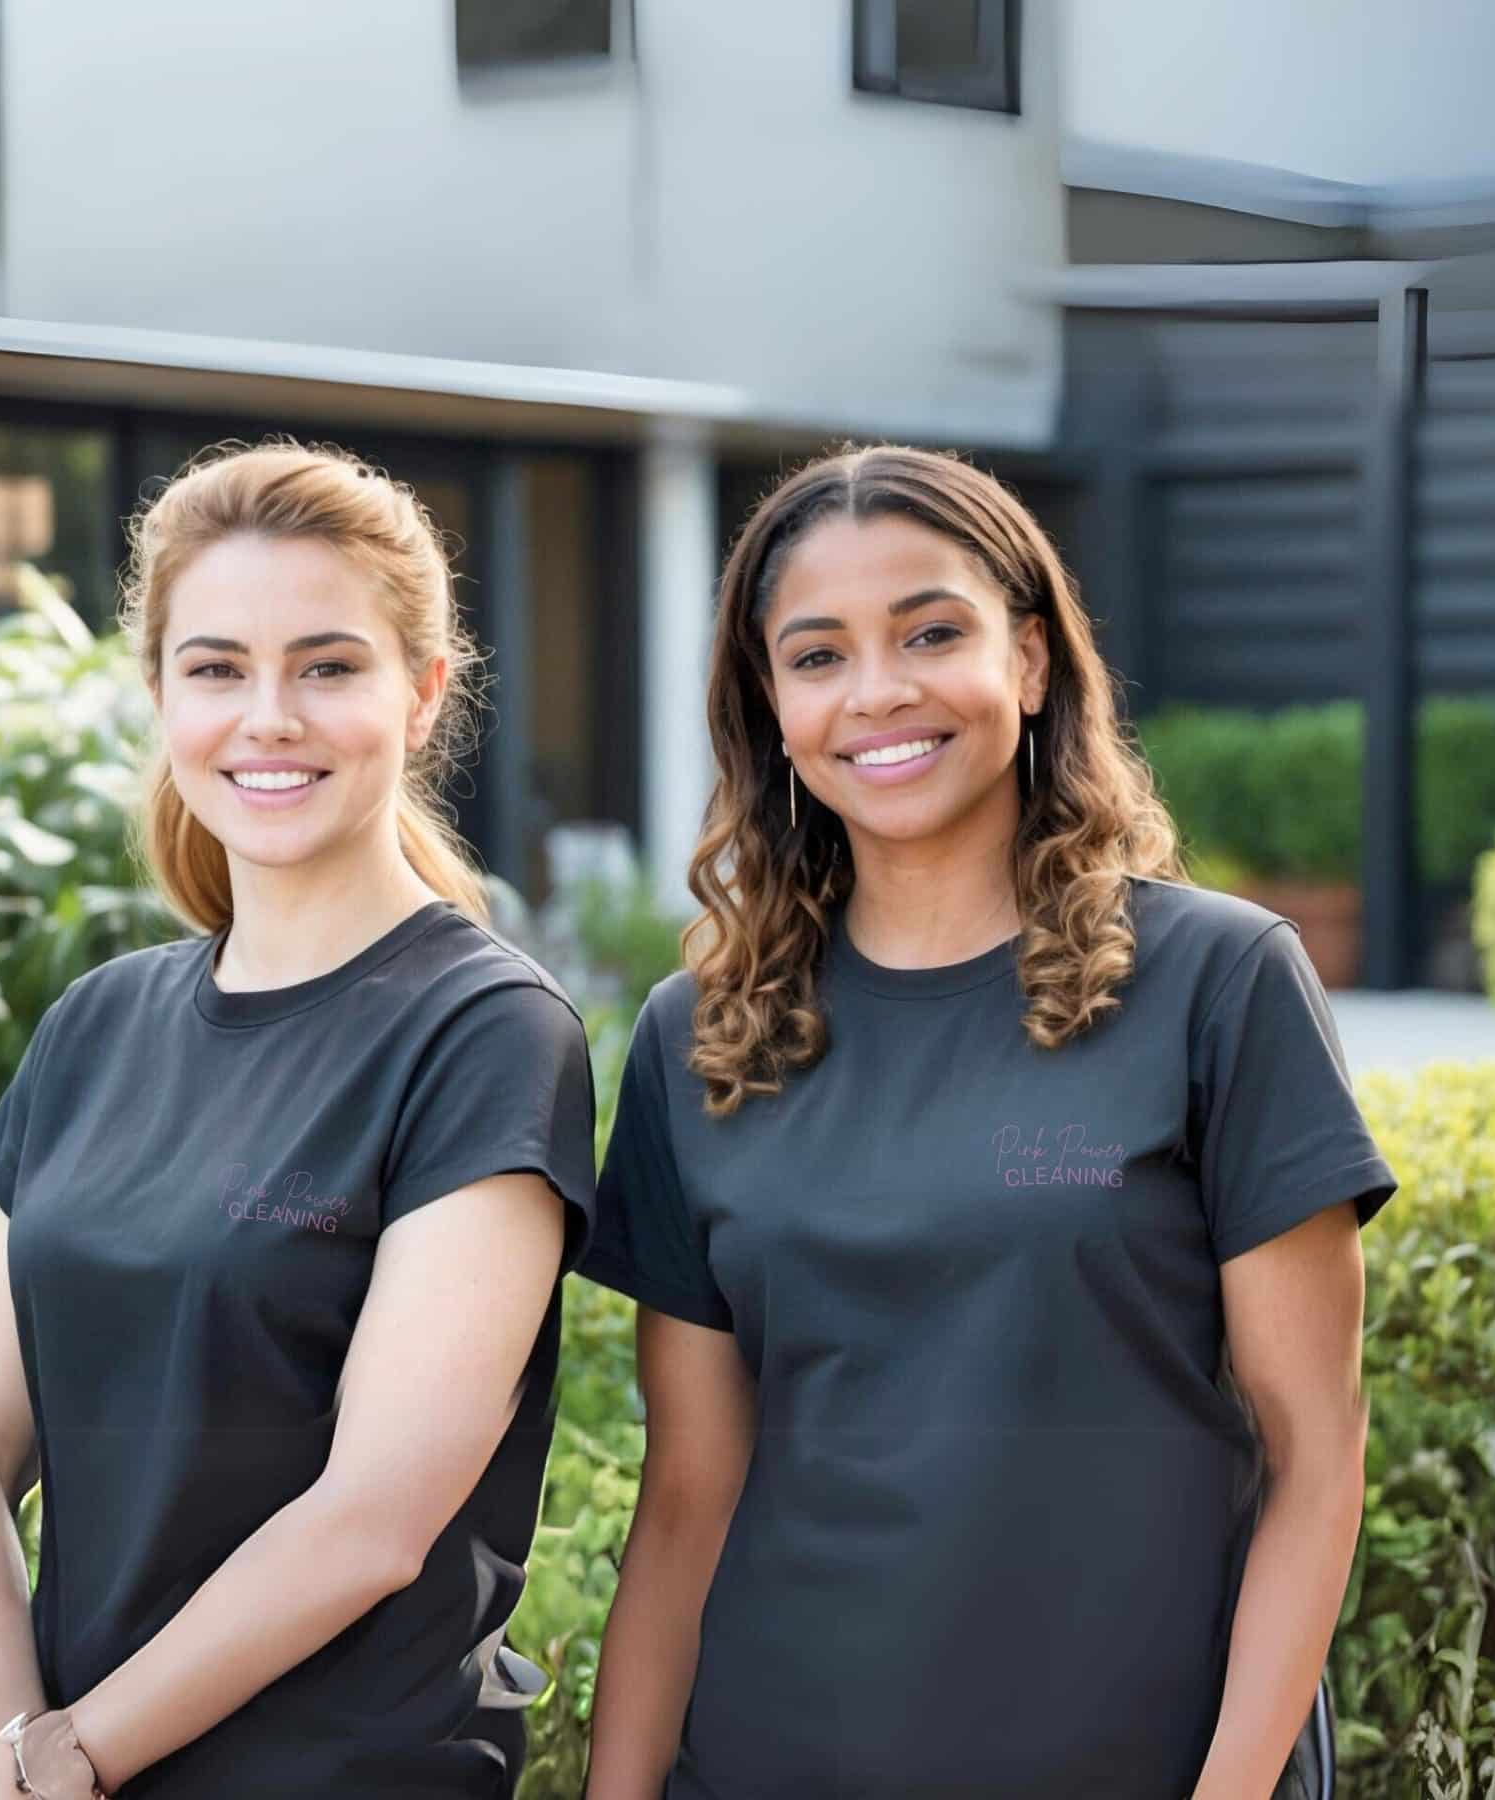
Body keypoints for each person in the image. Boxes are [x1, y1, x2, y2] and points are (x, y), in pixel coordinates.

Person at [580, 444, 1397, 1800]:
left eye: (931, 632)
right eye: (818, 654)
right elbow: (686, 1499)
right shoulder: (700, 1033)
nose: (878, 692)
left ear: (1027, 662)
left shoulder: (1218, 982)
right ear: (771, 706)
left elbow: (1319, 1457)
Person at [0, 441, 598, 1799]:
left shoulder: (484, 1035)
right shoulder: (98, 1028)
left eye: (329, 666)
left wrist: (68, 1765)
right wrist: (14, 1760)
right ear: (162, 695)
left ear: (421, 695)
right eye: (216, 667)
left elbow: (371, 1525)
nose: (268, 716)